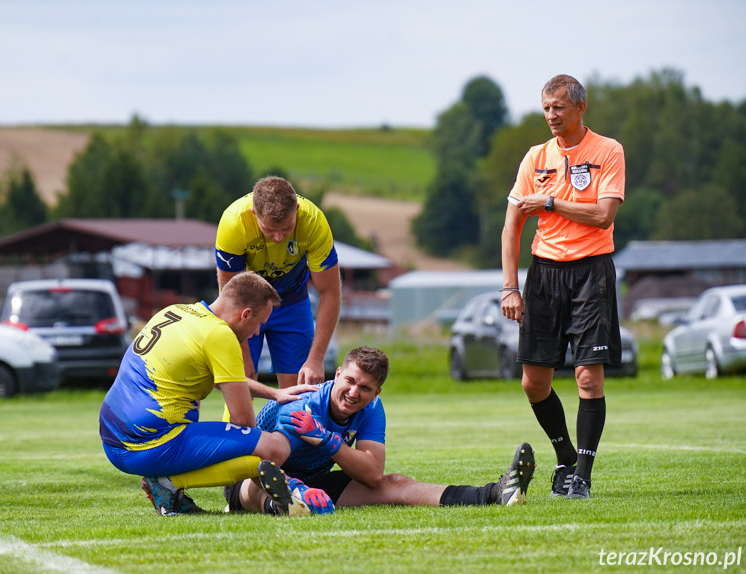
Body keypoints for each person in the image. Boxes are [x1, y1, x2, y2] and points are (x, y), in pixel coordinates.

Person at [99, 271, 318, 516]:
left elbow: (216, 380)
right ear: (245, 314)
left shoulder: (176, 312)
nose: (257, 333)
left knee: (258, 455)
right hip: (148, 444)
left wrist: (274, 394)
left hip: (113, 438)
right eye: (259, 324)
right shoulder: (220, 335)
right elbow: (243, 421)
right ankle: (168, 483)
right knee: (274, 449)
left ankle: (277, 493)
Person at [500, 74, 625, 500]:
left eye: (558, 107)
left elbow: (603, 215)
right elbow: (512, 225)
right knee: (533, 383)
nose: (551, 115)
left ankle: (582, 478)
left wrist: (550, 203)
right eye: (546, 108)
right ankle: (565, 458)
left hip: (591, 272)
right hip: (543, 274)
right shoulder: (534, 158)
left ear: (580, 108)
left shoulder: (608, 151)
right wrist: (509, 287)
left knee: (588, 379)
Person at [224, 347, 536, 513]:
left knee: (394, 483)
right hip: (255, 476)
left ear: (377, 393)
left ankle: (495, 494)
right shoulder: (299, 406)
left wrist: (328, 441)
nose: (353, 392)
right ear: (337, 374)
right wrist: (296, 488)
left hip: (315, 482)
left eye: (365, 388)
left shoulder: (371, 409)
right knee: (258, 485)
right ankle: (285, 506)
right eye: (349, 381)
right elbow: (263, 464)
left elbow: (372, 474)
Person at [215, 176, 341, 389]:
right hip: (246, 307)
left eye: (287, 228)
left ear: (297, 210)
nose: (279, 237)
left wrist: (316, 359)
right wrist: (244, 357)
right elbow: (231, 298)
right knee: (242, 387)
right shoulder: (234, 222)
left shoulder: (313, 222)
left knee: (298, 390)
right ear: (254, 214)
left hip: (292, 302)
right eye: (269, 230)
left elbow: (330, 292)